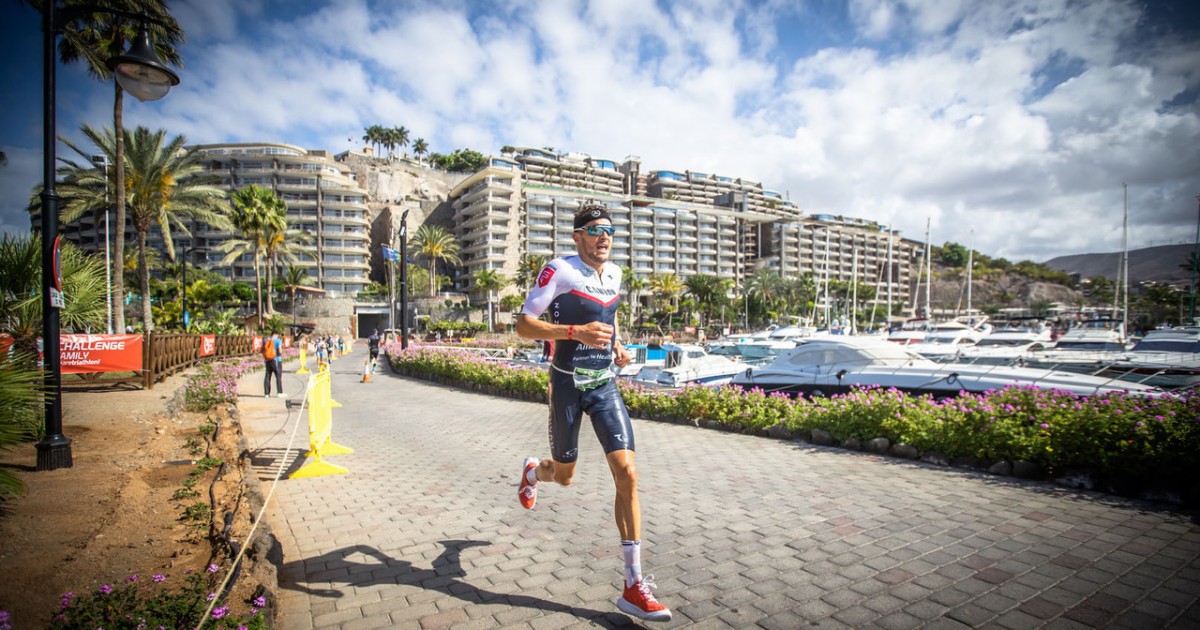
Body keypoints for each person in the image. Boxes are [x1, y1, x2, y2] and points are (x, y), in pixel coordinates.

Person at [514, 204, 671, 622]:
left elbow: (610, 316)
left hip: (602, 385)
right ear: (577, 237)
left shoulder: (615, 274)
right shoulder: (558, 271)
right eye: (595, 230)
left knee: (628, 474)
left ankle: (633, 585)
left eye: (610, 231)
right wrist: (573, 332)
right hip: (566, 383)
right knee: (564, 477)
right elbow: (523, 324)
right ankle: (534, 471)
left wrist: (616, 344)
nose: (604, 237)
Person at [263, 332, 285, 398]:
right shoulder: (278, 341)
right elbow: (280, 351)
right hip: (276, 360)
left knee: (267, 375)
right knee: (278, 375)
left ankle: (266, 393)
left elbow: (263, 349)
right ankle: (279, 392)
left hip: (267, 360)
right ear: (276, 335)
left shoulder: (265, 340)